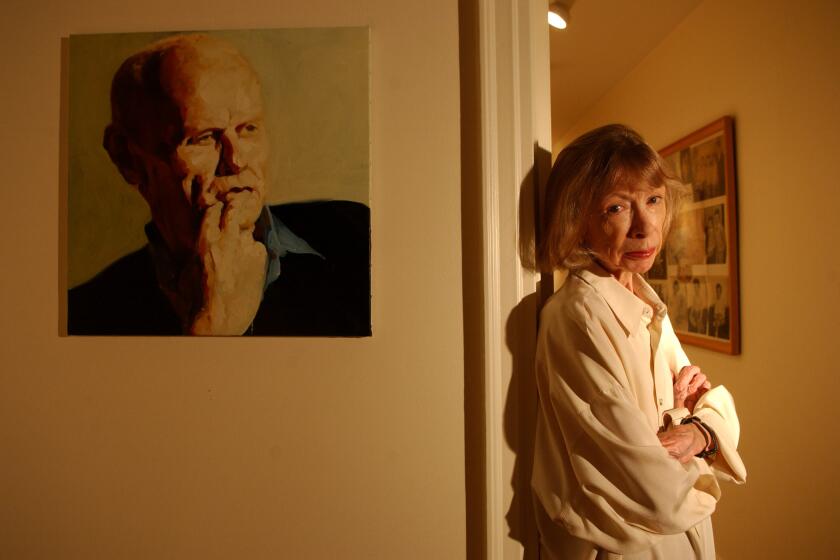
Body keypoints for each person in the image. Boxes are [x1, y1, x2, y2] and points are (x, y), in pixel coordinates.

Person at [532, 124, 746, 559]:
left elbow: (719, 407)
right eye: (616, 208)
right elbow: (654, 491)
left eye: (653, 200)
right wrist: (701, 445)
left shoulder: (645, 304)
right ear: (578, 220)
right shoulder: (577, 318)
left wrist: (697, 430)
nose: (645, 227)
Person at [68, 34, 370, 336]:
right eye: (203, 138)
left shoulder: (356, 237)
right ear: (127, 158)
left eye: (248, 129)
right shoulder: (88, 315)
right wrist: (211, 325)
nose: (236, 160)